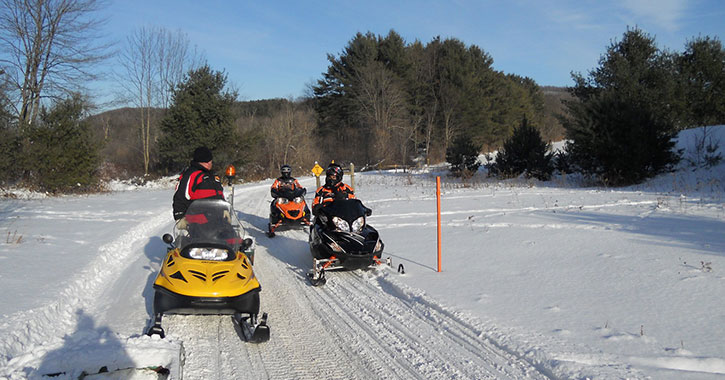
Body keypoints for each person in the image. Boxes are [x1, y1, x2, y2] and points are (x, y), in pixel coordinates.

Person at [172, 146, 225, 221]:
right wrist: (180, 218)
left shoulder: (213, 177)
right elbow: (180, 197)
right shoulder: (191, 175)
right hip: (198, 224)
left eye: (209, 161)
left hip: (218, 221)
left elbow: (219, 195)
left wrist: (225, 209)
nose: (209, 164)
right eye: (206, 162)